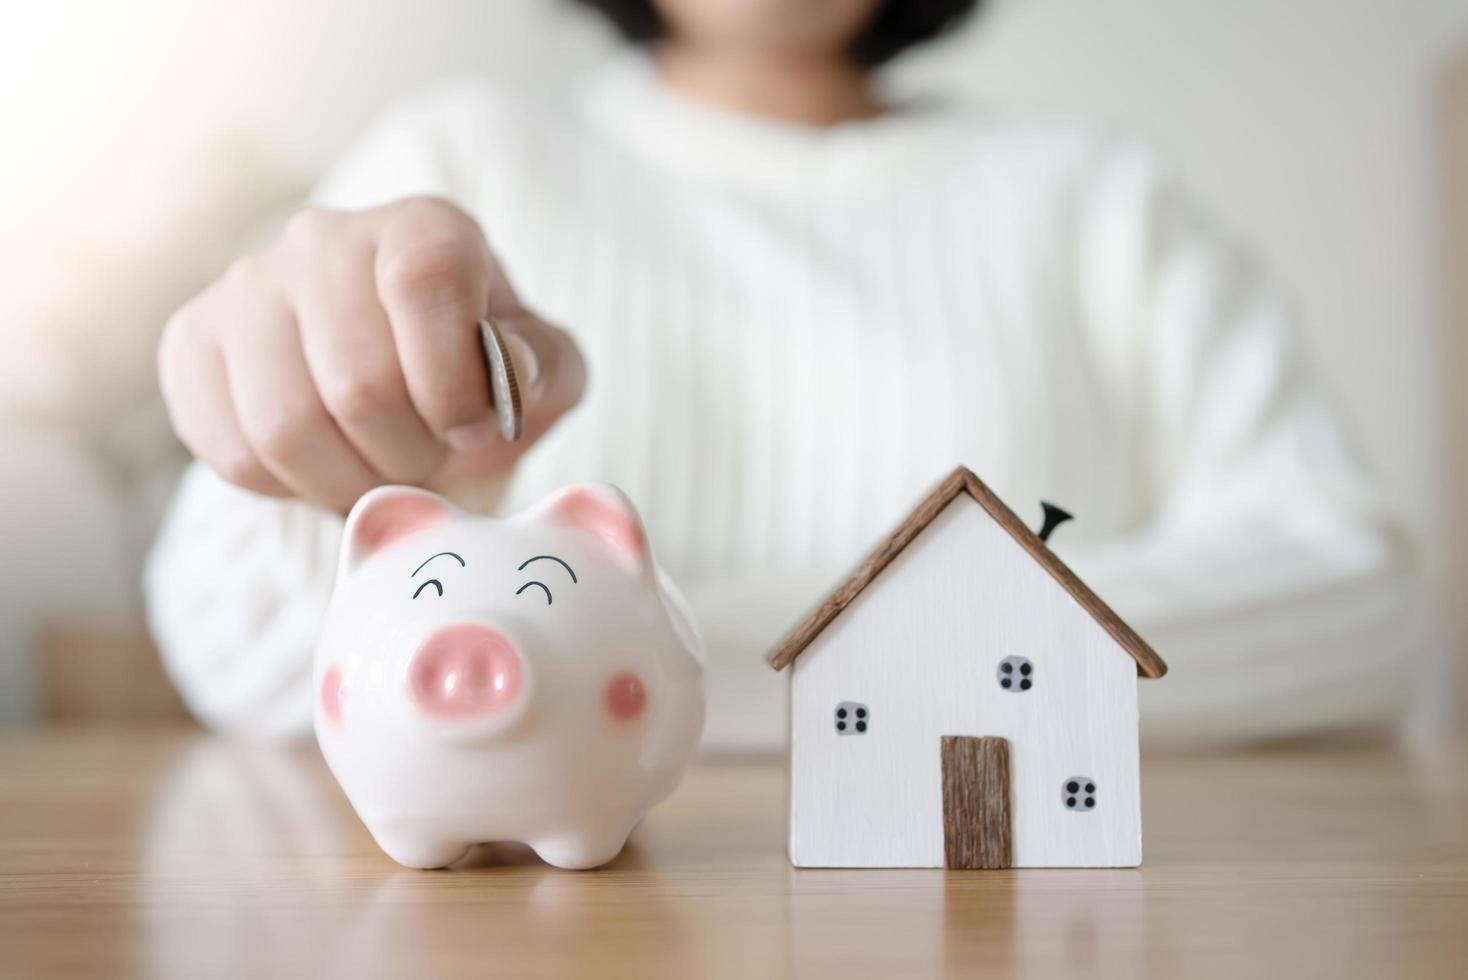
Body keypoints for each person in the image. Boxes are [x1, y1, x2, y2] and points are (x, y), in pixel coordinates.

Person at [145, 0, 1420, 745]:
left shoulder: (1095, 194)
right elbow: (246, 656)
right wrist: (315, 465)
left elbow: (1360, 599)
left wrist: (643, 674)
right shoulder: (463, 154)